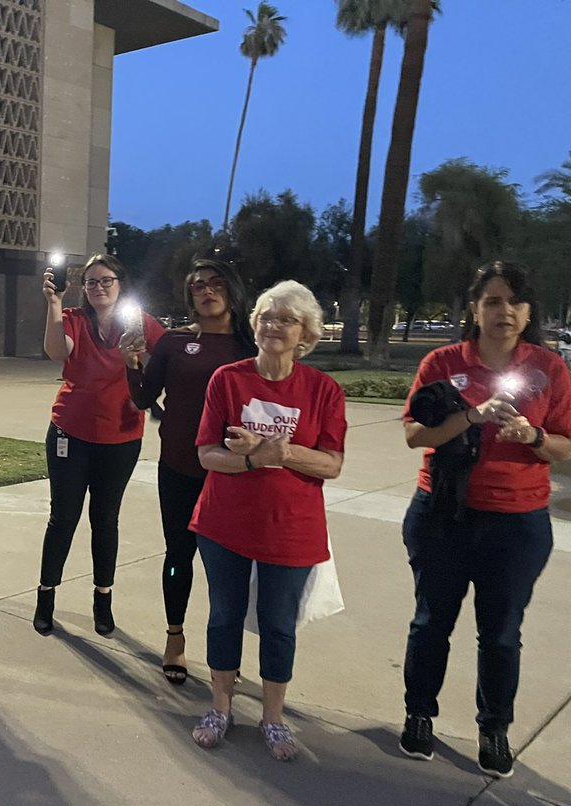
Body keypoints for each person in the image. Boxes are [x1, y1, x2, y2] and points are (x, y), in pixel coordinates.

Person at [398, 261, 571, 778]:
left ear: (529, 312)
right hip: (443, 516)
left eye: (515, 302)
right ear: (475, 309)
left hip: (517, 523)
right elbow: (415, 435)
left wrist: (533, 437)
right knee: (431, 622)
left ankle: (494, 728)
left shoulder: (548, 368)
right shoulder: (441, 362)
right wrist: (472, 416)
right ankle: (419, 715)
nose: (505, 311)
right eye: (493, 301)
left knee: (500, 633)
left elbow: (564, 445)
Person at [190, 281, 346, 761]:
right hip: (224, 524)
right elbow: (207, 454)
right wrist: (255, 460)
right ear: (254, 324)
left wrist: (282, 452)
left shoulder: (323, 390)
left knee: (279, 624)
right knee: (225, 615)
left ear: (306, 334)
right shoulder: (227, 380)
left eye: (287, 319)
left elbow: (332, 464)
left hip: (291, 527)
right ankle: (220, 707)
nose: (274, 326)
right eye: (266, 317)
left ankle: (273, 717)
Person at [124, 259, 255, 684]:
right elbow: (144, 399)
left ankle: (226, 651)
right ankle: (175, 637)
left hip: (232, 473)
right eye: (198, 286)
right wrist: (132, 363)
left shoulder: (250, 346)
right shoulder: (175, 342)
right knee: (179, 557)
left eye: (216, 283)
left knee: (228, 568)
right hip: (179, 467)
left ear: (232, 290)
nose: (207, 291)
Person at [33, 253, 165, 636]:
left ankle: (102, 599)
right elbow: (57, 351)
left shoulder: (138, 323)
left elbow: (170, 356)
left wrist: (149, 384)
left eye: (107, 280)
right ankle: (46, 595)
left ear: (120, 285)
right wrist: (54, 302)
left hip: (121, 438)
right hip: (69, 434)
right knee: (63, 518)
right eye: (91, 282)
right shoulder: (73, 318)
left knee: (105, 520)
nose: (99, 287)